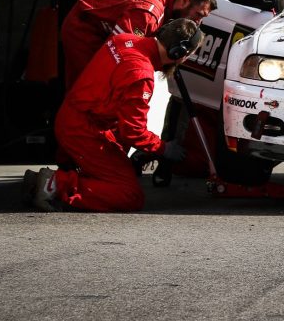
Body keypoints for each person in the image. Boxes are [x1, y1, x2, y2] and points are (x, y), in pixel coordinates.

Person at [22, 18, 201, 212]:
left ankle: (45, 181)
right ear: (179, 53)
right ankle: (54, 184)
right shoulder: (141, 76)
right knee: (129, 194)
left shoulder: (123, 40)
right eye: (189, 55)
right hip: (83, 130)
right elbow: (133, 132)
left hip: (76, 117)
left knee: (120, 159)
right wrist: (163, 148)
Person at [61, 0, 215, 89]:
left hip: (94, 18)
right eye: (199, 15)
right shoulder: (147, 14)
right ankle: (72, 130)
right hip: (84, 27)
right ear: (185, 1)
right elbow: (118, 56)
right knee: (86, 89)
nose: (198, 22)